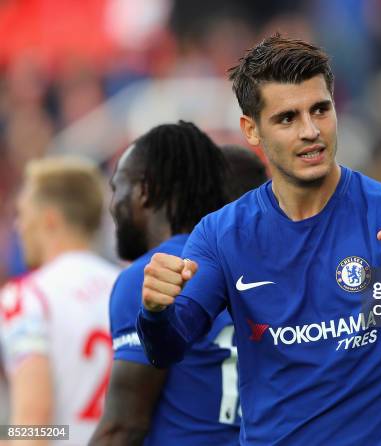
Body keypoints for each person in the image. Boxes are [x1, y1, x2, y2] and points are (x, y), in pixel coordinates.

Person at [137, 35, 381, 445]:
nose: (310, 131)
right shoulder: (222, 235)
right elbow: (166, 349)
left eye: (320, 110)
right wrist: (155, 311)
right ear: (251, 130)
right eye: (287, 118)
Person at [90, 122, 267, 445]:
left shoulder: (148, 277)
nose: (113, 206)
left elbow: (123, 427)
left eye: (118, 188)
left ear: (144, 190)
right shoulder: (252, 266)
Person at [0, 157, 119, 445]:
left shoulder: (28, 297)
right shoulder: (128, 286)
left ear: (50, 219)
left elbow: (36, 425)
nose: (19, 226)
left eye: (24, 213)